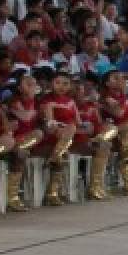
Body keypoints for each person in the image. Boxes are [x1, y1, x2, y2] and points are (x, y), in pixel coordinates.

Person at [36, 70, 80, 206]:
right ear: (51, 84)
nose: (61, 86)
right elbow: (49, 123)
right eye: (58, 83)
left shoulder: (72, 102)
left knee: (70, 131)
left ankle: (55, 156)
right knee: (65, 140)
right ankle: (53, 193)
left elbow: (79, 121)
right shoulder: (46, 101)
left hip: (69, 135)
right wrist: (64, 128)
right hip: (52, 134)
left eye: (65, 84)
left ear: (70, 86)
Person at [73, 77, 118, 201]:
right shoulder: (70, 105)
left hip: (91, 139)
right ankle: (94, 188)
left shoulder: (93, 106)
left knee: (111, 130)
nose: (85, 92)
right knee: (102, 145)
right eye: (80, 89)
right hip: (75, 141)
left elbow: (98, 126)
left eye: (88, 89)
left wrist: (105, 125)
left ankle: (96, 187)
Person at [4, 75, 44, 211]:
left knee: (39, 133)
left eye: (34, 84)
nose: (33, 86)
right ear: (20, 88)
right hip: (12, 141)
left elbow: (42, 124)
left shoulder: (38, 102)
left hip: (30, 142)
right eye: (29, 84)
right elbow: (26, 118)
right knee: (20, 153)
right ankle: (12, 197)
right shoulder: (14, 101)